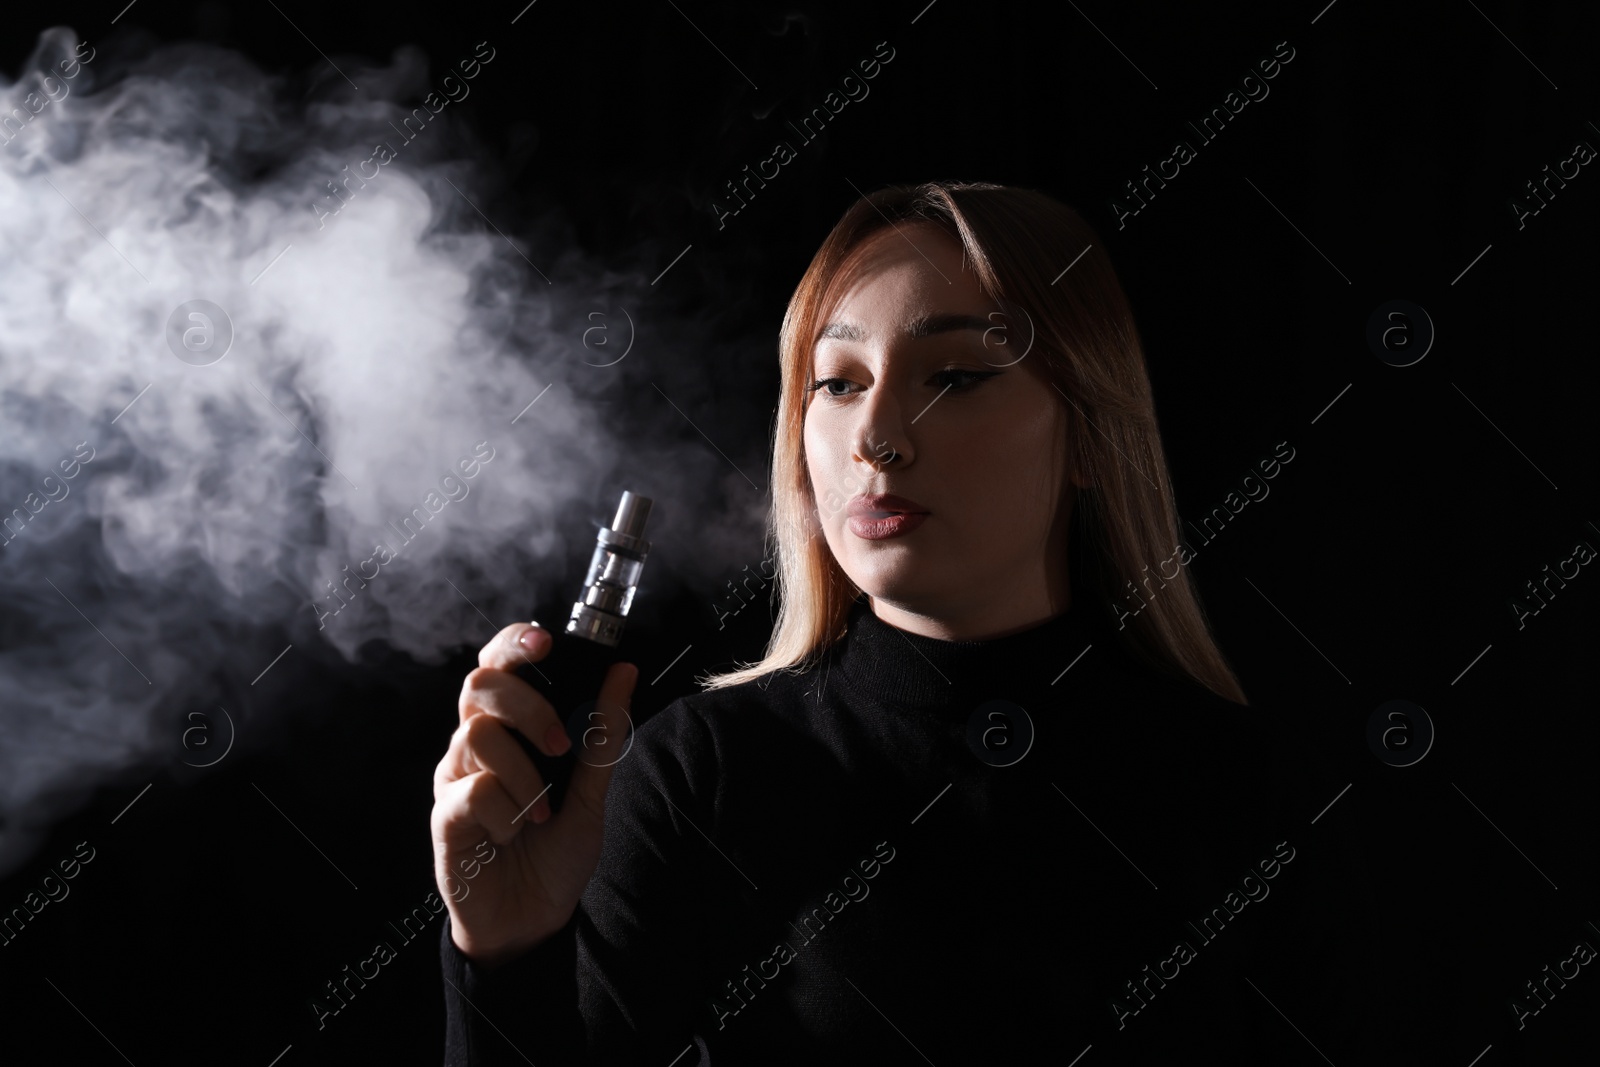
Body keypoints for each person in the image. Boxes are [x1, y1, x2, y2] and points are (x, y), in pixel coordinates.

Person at [431, 181, 1367, 1065]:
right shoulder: (698, 781)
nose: (878, 435)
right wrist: (508, 957)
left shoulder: (1242, 788)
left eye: (954, 376)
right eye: (836, 382)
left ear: (1090, 432)